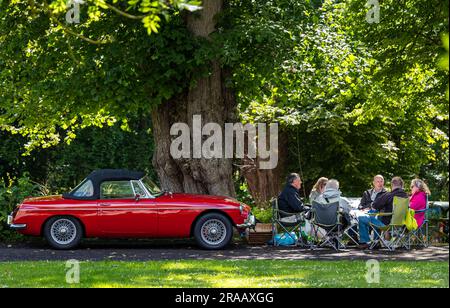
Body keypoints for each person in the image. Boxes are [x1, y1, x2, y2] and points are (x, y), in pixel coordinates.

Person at [358, 176, 408, 249]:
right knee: (376, 216)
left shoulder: (389, 195)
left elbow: (375, 205)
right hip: (401, 223)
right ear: (402, 185)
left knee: (362, 218)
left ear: (392, 185)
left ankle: (367, 242)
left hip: (387, 224)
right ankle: (376, 241)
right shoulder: (406, 196)